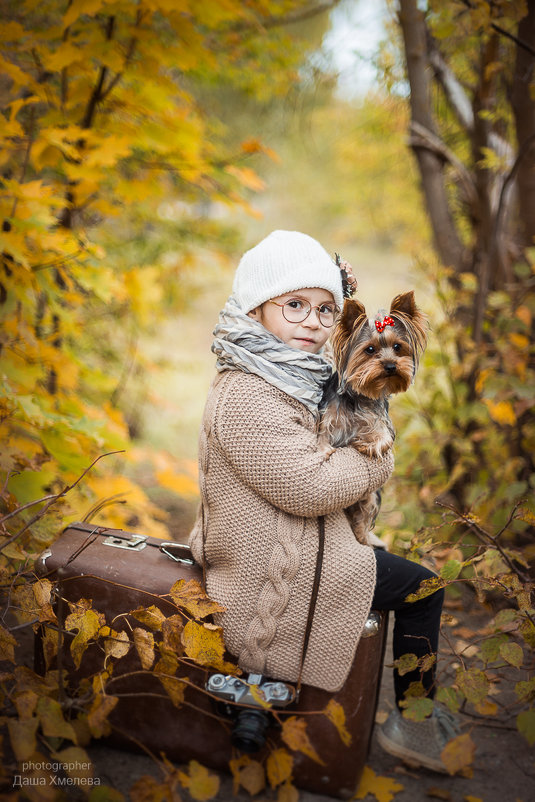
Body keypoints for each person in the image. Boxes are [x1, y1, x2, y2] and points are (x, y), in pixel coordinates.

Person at [189, 230, 459, 773]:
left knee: (411, 579)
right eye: (295, 305)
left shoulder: (292, 375)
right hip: (272, 561)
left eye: (324, 310)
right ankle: (415, 721)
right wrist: (378, 457)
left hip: (305, 540)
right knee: (424, 590)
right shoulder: (246, 391)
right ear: (256, 309)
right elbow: (309, 487)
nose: (312, 321)